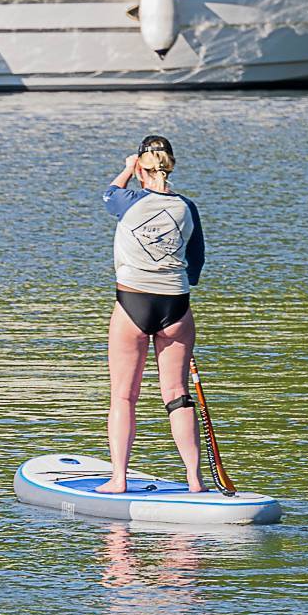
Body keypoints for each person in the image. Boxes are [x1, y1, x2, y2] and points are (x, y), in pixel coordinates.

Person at [101, 135, 206, 494]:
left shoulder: (127, 201)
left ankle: (119, 479)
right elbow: (197, 262)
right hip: (176, 307)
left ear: (141, 169)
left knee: (124, 396)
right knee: (177, 394)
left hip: (133, 304)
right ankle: (195, 480)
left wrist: (127, 168)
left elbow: (108, 193)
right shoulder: (187, 207)